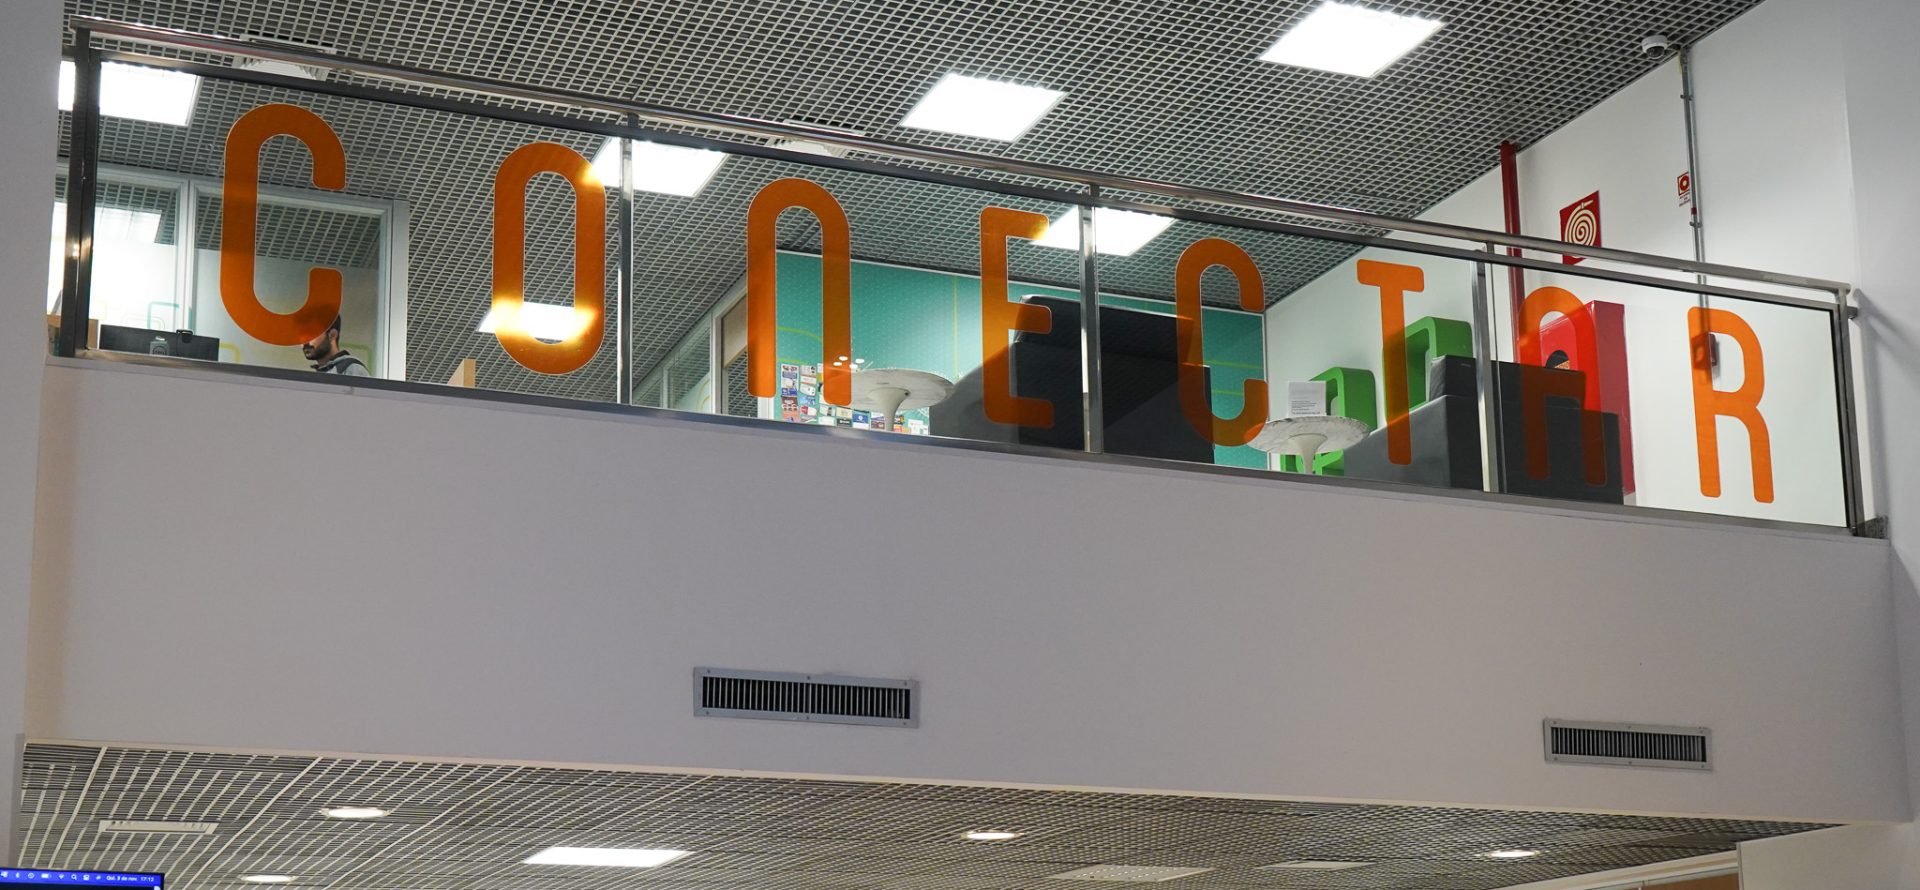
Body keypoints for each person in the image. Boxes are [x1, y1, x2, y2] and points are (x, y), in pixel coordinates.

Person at [302, 315, 371, 376]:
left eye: (312, 335)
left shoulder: (352, 369)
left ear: (332, 335)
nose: (304, 343)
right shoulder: (322, 372)